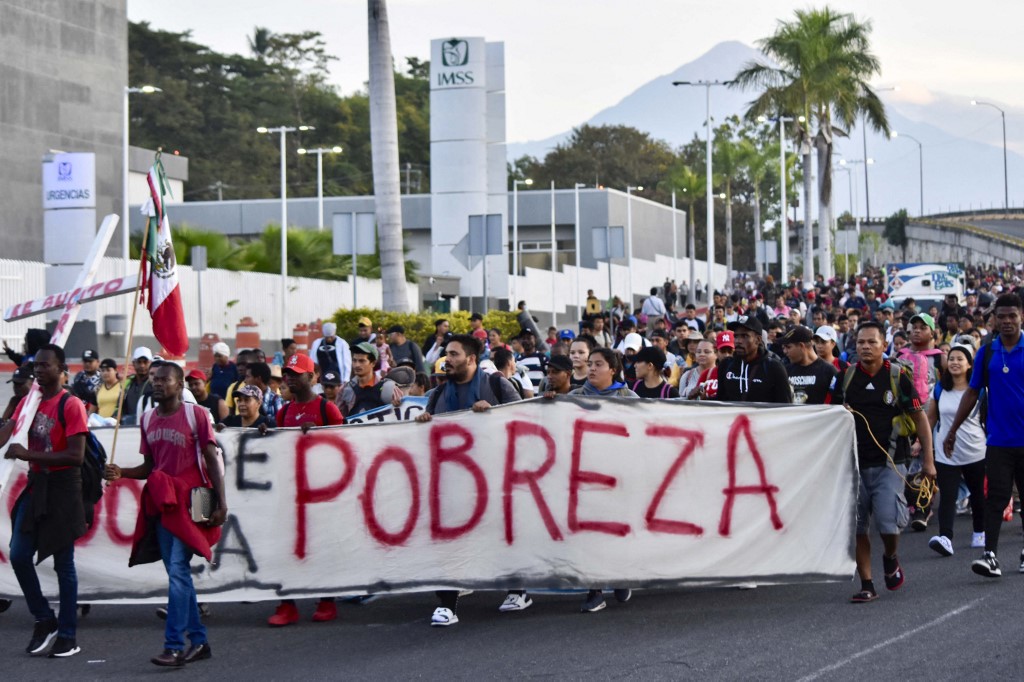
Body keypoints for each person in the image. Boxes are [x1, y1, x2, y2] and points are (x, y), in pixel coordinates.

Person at [103, 361, 227, 666]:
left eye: (164, 379)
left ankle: (173, 645)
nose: (157, 384)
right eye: (154, 380)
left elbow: (212, 459)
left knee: (177, 569)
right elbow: (150, 467)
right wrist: (122, 473)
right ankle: (199, 642)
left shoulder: (195, 414)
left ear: (179, 384)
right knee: (177, 573)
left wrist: (221, 503)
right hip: (163, 501)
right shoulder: (147, 419)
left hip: (196, 499)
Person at [416, 335, 521, 626]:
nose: (447, 359)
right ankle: (447, 604)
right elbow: (428, 438)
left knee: (502, 536)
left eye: (454, 354)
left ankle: (517, 588)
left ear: (471, 359)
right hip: (452, 484)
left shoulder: (498, 385)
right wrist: (424, 424)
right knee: (448, 540)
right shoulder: (437, 395)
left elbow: (522, 419)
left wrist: (494, 414)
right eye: (446, 354)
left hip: (495, 480)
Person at [832, 322, 935, 603]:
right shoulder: (846, 377)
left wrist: (929, 461)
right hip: (853, 466)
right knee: (857, 526)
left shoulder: (897, 376)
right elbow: (828, 416)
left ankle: (890, 556)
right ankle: (867, 583)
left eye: (871, 342)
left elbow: (919, 418)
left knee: (889, 525)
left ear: (883, 345)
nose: (865, 347)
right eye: (861, 342)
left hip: (891, 463)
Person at [0, 344, 88, 658]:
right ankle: (44, 618)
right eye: (36, 365)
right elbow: (3, 440)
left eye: (45, 365)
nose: (38, 369)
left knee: (64, 564)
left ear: (61, 369)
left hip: (63, 486)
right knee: (19, 554)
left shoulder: (71, 404)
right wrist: (11, 410)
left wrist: (28, 454)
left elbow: (76, 456)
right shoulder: (28, 402)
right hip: (37, 485)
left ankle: (68, 635)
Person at [945, 293, 1024, 578]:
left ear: (1021, 316)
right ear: (994, 319)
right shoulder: (987, 352)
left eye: (1011, 315)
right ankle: (990, 555)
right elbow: (973, 391)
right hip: (999, 441)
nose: (1006, 321)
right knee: (997, 498)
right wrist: (952, 429)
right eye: (1000, 316)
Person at [268, 352, 344, 626]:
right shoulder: (283, 412)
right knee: (285, 548)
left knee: (320, 547)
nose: (289, 377)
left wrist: (321, 436)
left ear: (312, 378)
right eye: (287, 372)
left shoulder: (327, 409)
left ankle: (326, 600)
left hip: (321, 493)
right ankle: (286, 604)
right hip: (291, 493)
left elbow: (345, 448)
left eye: (296, 373)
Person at [569, 347, 637, 612]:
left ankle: (620, 575)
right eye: (590, 364)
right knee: (588, 533)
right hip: (584, 477)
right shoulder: (573, 397)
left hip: (618, 477)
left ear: (613, 369)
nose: (592, 368)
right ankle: (594, 590)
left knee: (616, 531)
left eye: (598, 364)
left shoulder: (629, 397)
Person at [926, 343, 986, 557]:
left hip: (975, 449)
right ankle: (946, 538)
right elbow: (931, 417)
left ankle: (980, 532)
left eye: (960, 359)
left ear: (970, 364)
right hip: (945, 451)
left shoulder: (979, 390)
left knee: (977, 493)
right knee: (948, 496)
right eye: (951, 358)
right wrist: (920, 442)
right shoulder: (940, 388)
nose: (955, 362)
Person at [715, 316, 793, 404]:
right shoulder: (725, 365)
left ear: (758, 340)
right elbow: (720, 402)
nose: (738, 341)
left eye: (745, 336)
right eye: (736, 336)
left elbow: (785, 408)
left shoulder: (774, 368)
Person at [338, 343, 402, 418]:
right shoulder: (344, 389)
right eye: (354, 360)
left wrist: (397, 405)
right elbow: (338, 421)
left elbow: (401, 415)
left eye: (362, 361)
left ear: (373, 363)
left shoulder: (389, 387)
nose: (357, 365)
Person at [780, 325, 837, 405]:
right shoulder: (785, 371)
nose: (785, 351)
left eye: (788, 347)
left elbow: (836, 405)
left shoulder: (829, 371)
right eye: (783, 348)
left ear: (801, 346)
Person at [121, 346, 154, 422]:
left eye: (145, 362)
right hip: (128, 426)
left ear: (150, 363)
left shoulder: (154, 383)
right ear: (133, 363)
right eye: (139, 362)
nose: (142, 365)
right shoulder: (128, 383)